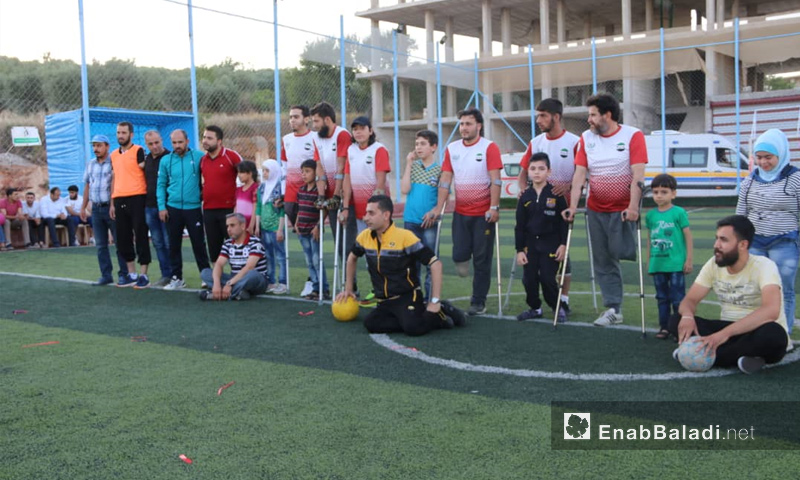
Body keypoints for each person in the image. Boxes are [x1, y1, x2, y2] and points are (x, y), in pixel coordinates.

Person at [563, 93, 648, 326]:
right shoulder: (585, 138)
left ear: (606, 115)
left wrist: (633, 207)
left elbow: (638, 175)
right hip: (595, 208)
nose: (589, 119)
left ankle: (616, 298)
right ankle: (613, 308)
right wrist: (572, 206)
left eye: (592, 115)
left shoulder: (633, 136)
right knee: (603, 260)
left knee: (621, 251)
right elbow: (579, 175)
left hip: (622, 210)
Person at [670, 215, 789, 374]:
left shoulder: (764, 266)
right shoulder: (713, 264)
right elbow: (690, 299)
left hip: (756, 330)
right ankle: (742, 357)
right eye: (716, 239)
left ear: (742, 244)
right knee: (674, 321)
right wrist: (687, 316)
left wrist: (721, 336)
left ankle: (700, 353)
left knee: (774, 335)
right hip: (728, 328)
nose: (716, 245)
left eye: (723, 240)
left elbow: (771, 310)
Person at [336, 195, 466, 336]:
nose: (365, 217)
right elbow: (351, 258)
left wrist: (434, 301)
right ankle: (416, 316)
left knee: (413, 328)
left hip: (408, 296)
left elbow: (435, 264)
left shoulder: (405, 237)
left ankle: (440, 313)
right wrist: (349, 289)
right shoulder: (364, 237)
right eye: (366, 212)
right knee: (371, 324)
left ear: (386, 215)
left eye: (371, 213)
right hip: (384, 301)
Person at [433, 108, 502, 316]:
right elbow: (445, 179)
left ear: (478, 126)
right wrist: (439, 207)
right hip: (461, 213)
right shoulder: (452, 148)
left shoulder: (489, 147)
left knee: (482, 260)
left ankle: (478, 302)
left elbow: (495, 179)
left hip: (483, 215)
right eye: (462, 124)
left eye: (468, 124)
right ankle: (462, 262)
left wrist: (494, 207)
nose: (464, 128)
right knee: (459, 255)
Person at [517, 98, 580, 311]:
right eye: (537, 115)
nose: (538, 120)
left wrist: (570, 186)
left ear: (556, 116)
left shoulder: (574, 142)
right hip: (537, 206)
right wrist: (522, 189)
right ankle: (538, 301)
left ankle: (564, 299)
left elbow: (584, 172)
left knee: (564, 254)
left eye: (543, 115)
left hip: (564, 207)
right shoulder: (536, 142)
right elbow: (524, 170)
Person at [736, 128, 800, 334]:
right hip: (755, 243)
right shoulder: (750, 181)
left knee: (782, 289)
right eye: (759, 157)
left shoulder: (795, 179)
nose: (763, 162)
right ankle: (757, 332)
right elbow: (741, 215)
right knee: (756, 289)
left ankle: (783, 334)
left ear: (780, 155)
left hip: (785, 241)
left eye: (768, 157)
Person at [515, 153, 568, 322]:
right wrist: (519, 250)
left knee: (547, 278)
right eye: (533, 169)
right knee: (529, 278)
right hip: (530, 244)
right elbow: (520, 226)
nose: (536, 172)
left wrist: (563, 245)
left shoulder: (556, 194)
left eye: (541, 169)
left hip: (551, 243)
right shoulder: (524, 196)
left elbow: (563, 223)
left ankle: (556, 307)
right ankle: (535, 308)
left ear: (549, 171)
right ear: (528, 172)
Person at [157, 129, 211, 290]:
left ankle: (206, 276)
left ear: (187, 141)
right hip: (172, 208)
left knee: (198, 244)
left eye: (180, 142)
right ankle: (177, 278)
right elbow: (161, 185)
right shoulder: (166, 160)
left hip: (193, 208)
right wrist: (162, 207)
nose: (177, 145)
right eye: (174, 143)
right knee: (173, 245)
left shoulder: (199, 156)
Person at [311, 101, 353, 294]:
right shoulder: (317, 138)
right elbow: (319, 167)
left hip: (345, 194)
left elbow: (341, 168)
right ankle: (347, 285)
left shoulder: (341, 135)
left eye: (317, 121)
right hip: (329, 195)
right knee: (339, 244)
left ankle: (351, 287)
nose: (314, 125)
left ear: (327, 119)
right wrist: (321, 195)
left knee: (347, 244)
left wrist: (336, 196)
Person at [646, 173, 693, 340]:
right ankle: (664, 327)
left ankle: (678, 328)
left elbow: (687, 236)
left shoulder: (679, 213)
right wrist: (649, 261)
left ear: (673, 193)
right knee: (661, 298)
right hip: (658, 264)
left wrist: (688, 260)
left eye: (664, 192)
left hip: (675, 263)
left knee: (677, 298)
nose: (659, 195)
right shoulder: (650, 215)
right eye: (656, 192)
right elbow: (650, 238)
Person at [81, 134, 129, 286]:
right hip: (96, 209)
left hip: (111, 207)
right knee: (101, 245)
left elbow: (117, 184)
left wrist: (114, 205)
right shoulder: (90, 164)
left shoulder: (115, 162)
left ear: (107, 146)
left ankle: (124, 274)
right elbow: (88, 185)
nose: (96, 148)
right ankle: (106, 275)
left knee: (119, 242)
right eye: (94, 145)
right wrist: (83, 207)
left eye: (99, 145)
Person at [401, 129, 442, 301]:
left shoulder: (439, 170)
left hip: (429, 223)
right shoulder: (413, 166)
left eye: (423, 144)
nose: (418, 147)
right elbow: (404, 189)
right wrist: (409, 164)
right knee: (411, 263)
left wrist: (434, 213)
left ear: (433, 147)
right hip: (411, 221)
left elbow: (442, 198)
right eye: (417, 144)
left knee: (430, 260)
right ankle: (414, 296)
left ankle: (430, 298)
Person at [110, 121, 151, 288]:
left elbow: (146, 170)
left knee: (141, 235)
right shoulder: (113, 154)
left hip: (137, 197)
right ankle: (131, 274)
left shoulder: (139, 150)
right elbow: (114, 178)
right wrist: (112, 202)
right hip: (119, 199)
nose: (120, 135)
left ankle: (143, 275)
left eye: (124, 133)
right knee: (123, 238)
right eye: (118, 132)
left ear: (131, 134)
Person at [199, 213, 269, 301]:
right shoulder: (228, 243)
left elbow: (249, 267)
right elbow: (219, 264)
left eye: (232, 225)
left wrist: (229, 284)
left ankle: (218, 295)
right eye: (227, 226)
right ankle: (238, 293)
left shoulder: (255, 242)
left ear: (243, 226)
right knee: (205, 273)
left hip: (255, 281)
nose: (228, 229)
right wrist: (216, 284)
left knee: (252, 274)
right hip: (234, 279)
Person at [201, 125, 242, 264]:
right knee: (213, 247)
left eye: (209, 138)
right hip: (208, 210)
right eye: (204, 137)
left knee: (234, 245)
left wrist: (240, 203)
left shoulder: (231, 156)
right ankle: (216, 279)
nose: (205, 141)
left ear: (219, 141)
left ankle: (238, 278)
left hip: (229, 210)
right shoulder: (203, 160)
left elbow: (247, 176)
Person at [295, 159, 329, 301]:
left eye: (307, 171)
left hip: (313, 231)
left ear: (316, 173)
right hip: (301, 230)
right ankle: (315, 288)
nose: (304, 174)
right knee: (309, 260)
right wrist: (296, 223)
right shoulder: (301, 190)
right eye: (302, 171)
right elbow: (300, 208)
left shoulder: (319, 191)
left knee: (316, 260)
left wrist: (318, 227)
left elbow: (324, 211)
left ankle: (323, 288)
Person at [143, 130, 173, 287]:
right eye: (150, 144)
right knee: (158, 243)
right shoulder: (146, 159)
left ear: (162, 140)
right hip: (149, 207)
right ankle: (165, 275)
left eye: (157, 142)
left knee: (169, 242)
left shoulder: (170, 157)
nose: (154, 146)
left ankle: (175, 275)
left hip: (166, 207)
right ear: (146, 145)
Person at [282, 105, 319, 227]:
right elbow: (284, 168)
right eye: (291, 117)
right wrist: (283, 193)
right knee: (294, 238)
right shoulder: (286, 139)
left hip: (309, 196)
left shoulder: (315, 138)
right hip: (290, 196)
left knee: (311, 235)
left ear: (307, 119)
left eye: (296, 117)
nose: (292, 120)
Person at [255, 160, 288, 294]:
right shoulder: (262, 188)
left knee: (280, 256)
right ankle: (271, 281)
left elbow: (282, 211)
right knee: (268, 255)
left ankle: (283, 282)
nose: (264, 173)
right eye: (263, 170)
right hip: (264, 227)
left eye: (267, 170)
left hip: (275, 228)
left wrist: (280, 229)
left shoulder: (280, 188)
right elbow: (258, 207)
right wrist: (257, 226)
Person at [235, 160, 259, 234]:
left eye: (241, 172)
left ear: (250, 173)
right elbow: (236, 207)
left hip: (249, 226)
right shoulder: (238, 189)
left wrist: (251, 226)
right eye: (238, 172)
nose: (239, 175)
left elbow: (256, 207)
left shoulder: (255, 188)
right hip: (239, 226)